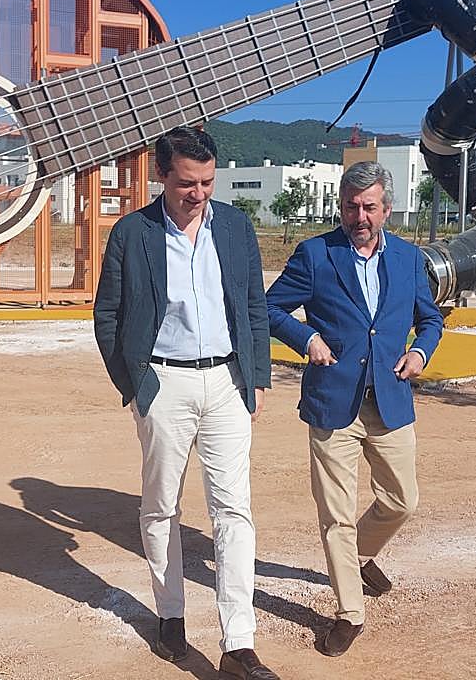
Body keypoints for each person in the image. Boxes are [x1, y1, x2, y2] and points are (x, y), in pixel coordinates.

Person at [93, 127, 280, 680]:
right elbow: (108, 315)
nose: (198, 194)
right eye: (186, 183)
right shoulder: (133, 233)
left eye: (207, 182)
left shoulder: (237, 226)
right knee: (162, 506)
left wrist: (258, 376)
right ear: (161, 176)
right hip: (162, 384)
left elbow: (253, 304)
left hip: (227, 381)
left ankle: (238, 644)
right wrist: (135, 386)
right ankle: (170, 612)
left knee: (233, 509)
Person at [266, 160, 443, 657]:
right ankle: (349, 613)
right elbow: (270, 307)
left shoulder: (409, 260)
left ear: (387, 209)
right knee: (336, 515)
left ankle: (361, 556)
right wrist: (307, 338)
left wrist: (420, 351)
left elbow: (430, 320)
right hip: (333, 401)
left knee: (402, 500)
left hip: (389, 398)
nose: (358, 216)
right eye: (350, 206)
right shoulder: (316, 255)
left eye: (368, 207)